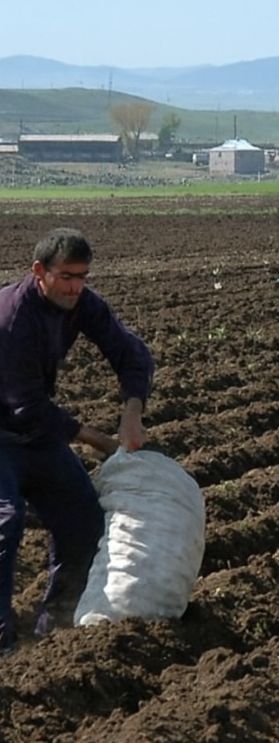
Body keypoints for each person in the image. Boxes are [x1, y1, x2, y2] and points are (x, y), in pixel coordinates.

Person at [0, 228, 154, 654]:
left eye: (83, 276)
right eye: (66, 277)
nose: (75, 287)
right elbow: (25, 402)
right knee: (5, 522)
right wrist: (100, 441)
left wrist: (132, 412)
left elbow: (131, 353)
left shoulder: (80, 304)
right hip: (8, 428)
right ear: (39, 272)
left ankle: (54, 625)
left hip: (34, 434)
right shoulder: (12, 317)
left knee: (84, 520)